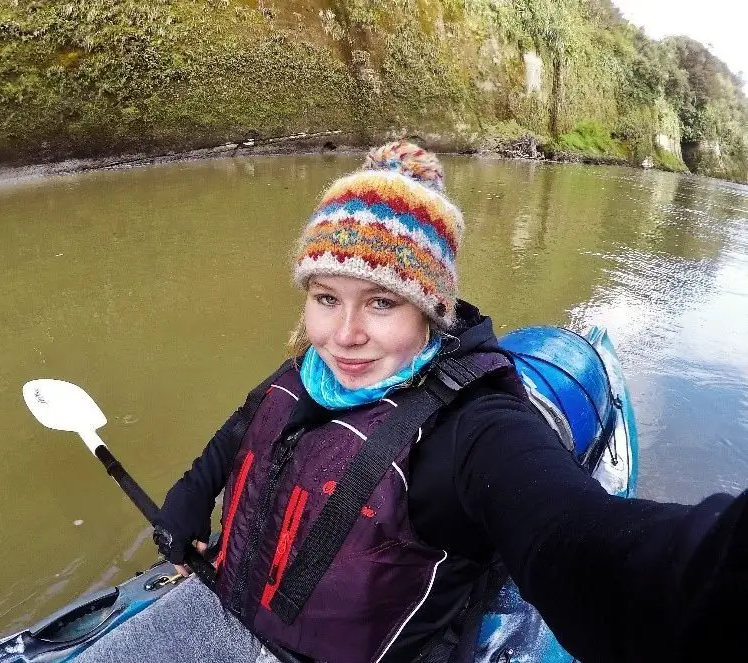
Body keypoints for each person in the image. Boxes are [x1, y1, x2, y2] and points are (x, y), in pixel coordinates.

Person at [152, 142, 748, 663]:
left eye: (383, 303)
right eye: (327, 297)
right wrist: (188, 499)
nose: (343, 334)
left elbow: (587, 550)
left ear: (430, 311)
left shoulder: (474, 430)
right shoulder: (307, 369)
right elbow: (242, 431)